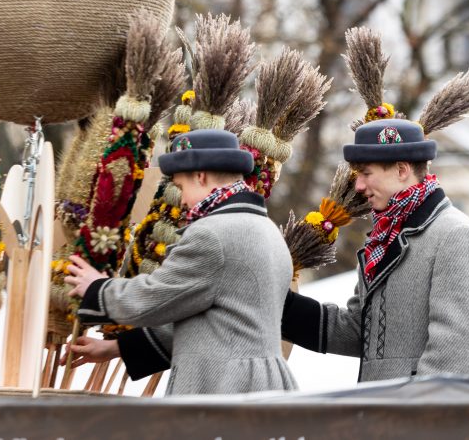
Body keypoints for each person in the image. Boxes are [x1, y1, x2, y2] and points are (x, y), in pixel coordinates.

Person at [64, 129, 298, 395]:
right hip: (261, 386)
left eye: (181, 187)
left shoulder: (213, 233)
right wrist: (119, 348)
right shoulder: (266, 229)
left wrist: (98, 288)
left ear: (200, 176)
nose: (183, 201)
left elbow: (155, 297)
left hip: (226, 388)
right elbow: (213, 323)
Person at [281, 118, 469, 381]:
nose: (358, 186)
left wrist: (406, 415)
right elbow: (360, 331)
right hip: (383, 413)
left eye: (366, 174)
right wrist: (282, 306)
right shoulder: (383, 238)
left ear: (402, 170)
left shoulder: (455, 236)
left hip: (421, 417)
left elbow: (453, 354)